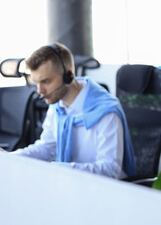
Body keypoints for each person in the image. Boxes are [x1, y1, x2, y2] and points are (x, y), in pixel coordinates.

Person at [0, 42, 136, 179]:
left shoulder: (106, 112)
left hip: (106, 190)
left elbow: (110, 170)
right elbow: (46, 148)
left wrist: (57, 169)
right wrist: (10, 158)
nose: (39, 91)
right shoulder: (56, 106)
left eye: (46, 81)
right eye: (36, 83)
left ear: (68, 75)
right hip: (71, 184)